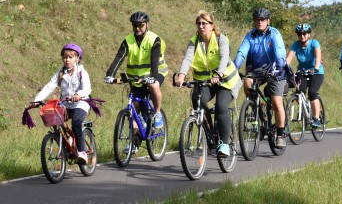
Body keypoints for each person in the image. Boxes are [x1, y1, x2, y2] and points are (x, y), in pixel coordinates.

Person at [175, 10, 242, 157]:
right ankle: (210, 133)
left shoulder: (220, 39)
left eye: (204, 23)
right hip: (206, 82)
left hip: (226, 81)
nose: (201, 26)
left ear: (212, 25)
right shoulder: (194, 41)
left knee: (221, 106)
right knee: (197, 101)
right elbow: (187, 59)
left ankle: (224, 144)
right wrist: (181, 76)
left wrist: (219, 74)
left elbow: (224, 57)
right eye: (198, 23)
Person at [104, 11, 168, 152]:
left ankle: (157, 112)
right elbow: (119, 57)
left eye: (140, 25)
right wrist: (110, 75)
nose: (137, 28)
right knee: (134, 109)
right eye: (134, 25)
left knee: (153, 85)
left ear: (147, 25)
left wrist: (152, 76)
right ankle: (134, 142)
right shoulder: (128, 40)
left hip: (156, 73)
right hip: (136, 78)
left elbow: (154, 61)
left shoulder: (154, 39)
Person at [233, 8, 287, 148]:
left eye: (262, 20)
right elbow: (242, 53)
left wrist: (280, 66)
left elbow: (280, 51)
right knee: (247, 82)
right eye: (257, 20)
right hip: (256, 71)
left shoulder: (274, 34)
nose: (260, 22)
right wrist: (234, 68)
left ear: (268, 21)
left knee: (276, 101)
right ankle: (255, 107)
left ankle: (280, 135)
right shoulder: (250, 35)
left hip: (275, 71)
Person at [33, 43, 91, 164]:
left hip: (80, 104)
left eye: (70, 57)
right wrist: (36, 100)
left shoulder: (82, 72)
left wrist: (78, 95)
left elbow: (87, 88)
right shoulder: (61, 72)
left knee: (76, 123)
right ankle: (67, 139)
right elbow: (49, 86)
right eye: (65, 57)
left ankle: (82, 152)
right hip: (65, 104)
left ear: (77, 58)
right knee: (52, 118)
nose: (67, 60)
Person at [286, 23, 324, 128]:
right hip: (302, 71)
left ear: (309, 34)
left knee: (312, 93)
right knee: (299, 91)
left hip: (316, 72)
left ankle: (316, 119)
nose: (302, 36)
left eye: (304, 33)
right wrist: (283, 69)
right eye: (299, 34)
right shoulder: (295, 45)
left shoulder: (314, 43)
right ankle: (304, 111)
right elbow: (288, 60)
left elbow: (318, 57)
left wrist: (315, 68)